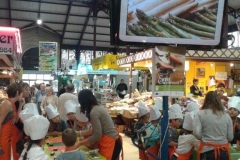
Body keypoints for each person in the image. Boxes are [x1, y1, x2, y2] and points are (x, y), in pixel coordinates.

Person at [75, 89, 122, 160]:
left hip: (111, 143)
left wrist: (79, 143)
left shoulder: (94, 112)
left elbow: (97, 135)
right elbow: (94, 130)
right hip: (112, 140)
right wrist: (78, 133)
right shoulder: (98, 107)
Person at [193, 91, 233, 160]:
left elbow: (197, 134)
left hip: (206, 150)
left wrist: (204, 138)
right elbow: (230, 137)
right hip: (223, 151)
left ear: (206, 100)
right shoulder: (226, 115)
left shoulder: (200, 114)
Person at [0, 83, 25, 160]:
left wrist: (20, 105)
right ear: (17, 93)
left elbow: (16, 120)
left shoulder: (12, 104)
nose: (22, 96)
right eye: (21, 94)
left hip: (9, 137)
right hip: (3, 138)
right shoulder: (7, 104)